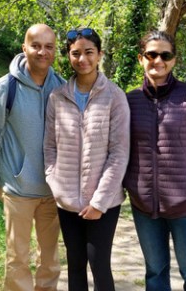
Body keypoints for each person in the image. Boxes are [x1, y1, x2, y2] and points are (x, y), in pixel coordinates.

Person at [123, 30, 186, 291]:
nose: (158, 60)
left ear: (174, 60)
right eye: (152, 54)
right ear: (141, 58)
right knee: (155, 272)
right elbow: (120, 148)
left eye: (165, 55)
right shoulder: (128, 100)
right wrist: (130, 185)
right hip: (144, 206)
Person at [0, 23, 65, 291]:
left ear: (55, 51)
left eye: (48, 47)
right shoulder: (6, 88)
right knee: (17, 259)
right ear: (24, 48)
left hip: (52, 191)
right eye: (36, 46)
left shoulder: (62, 87)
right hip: (18, 190)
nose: (42, 52)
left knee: (50, 260)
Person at [43, 28, 130, 291]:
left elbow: (119, 152)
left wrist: (98, 202)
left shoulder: (115, 96)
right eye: (76, 53)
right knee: (75, 262)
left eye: (89, 52)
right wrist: (56, 186)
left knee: (99, 262)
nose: (83, 59)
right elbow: (49, 147)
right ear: (68, 57)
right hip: (67, 201)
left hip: (104, 203)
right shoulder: (57, 97)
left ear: (100, 54)